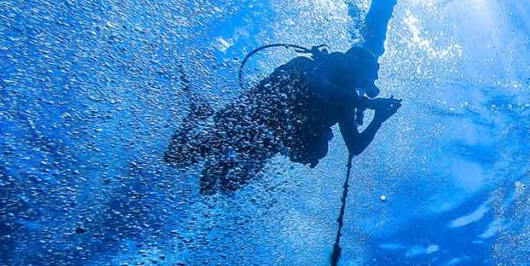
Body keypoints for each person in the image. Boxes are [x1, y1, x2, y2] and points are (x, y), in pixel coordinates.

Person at [164, 45, 402, 194]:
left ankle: (199, 119)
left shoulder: (348, 102)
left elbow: (354, 146)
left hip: (268, 143)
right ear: (354, 64)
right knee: (177, 158)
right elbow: (319, 86)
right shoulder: (309, 66)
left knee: (219, 187)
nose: (362, 84)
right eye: (366, 77)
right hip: (246, 118)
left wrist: (378, 120)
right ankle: (196, 115)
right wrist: (369, 104)